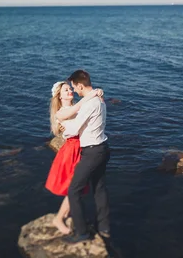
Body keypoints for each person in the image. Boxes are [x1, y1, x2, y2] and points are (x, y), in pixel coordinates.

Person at [45, 81, 102, 234]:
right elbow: (78, 108)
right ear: (59, 95)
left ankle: (66, 214)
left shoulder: (78, 108)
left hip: (82, 148)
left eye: (70, 88)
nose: (70, 91)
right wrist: (90, 94)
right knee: (74, 188)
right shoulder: (61, 112)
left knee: (77, 188)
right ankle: (59, 218)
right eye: (66, 90)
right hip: (71, 151)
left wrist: (98, 93)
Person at [63, 69, 110, 243]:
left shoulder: (90, 104)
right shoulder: (99, 100)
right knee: (99, 189)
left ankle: (82, 232)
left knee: (73, 190)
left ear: (81, 85)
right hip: (103, 148)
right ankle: (104, 228)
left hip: (92, 151)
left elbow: (74, 129)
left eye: (74, 87)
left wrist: (63, 130)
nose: (74, 90)